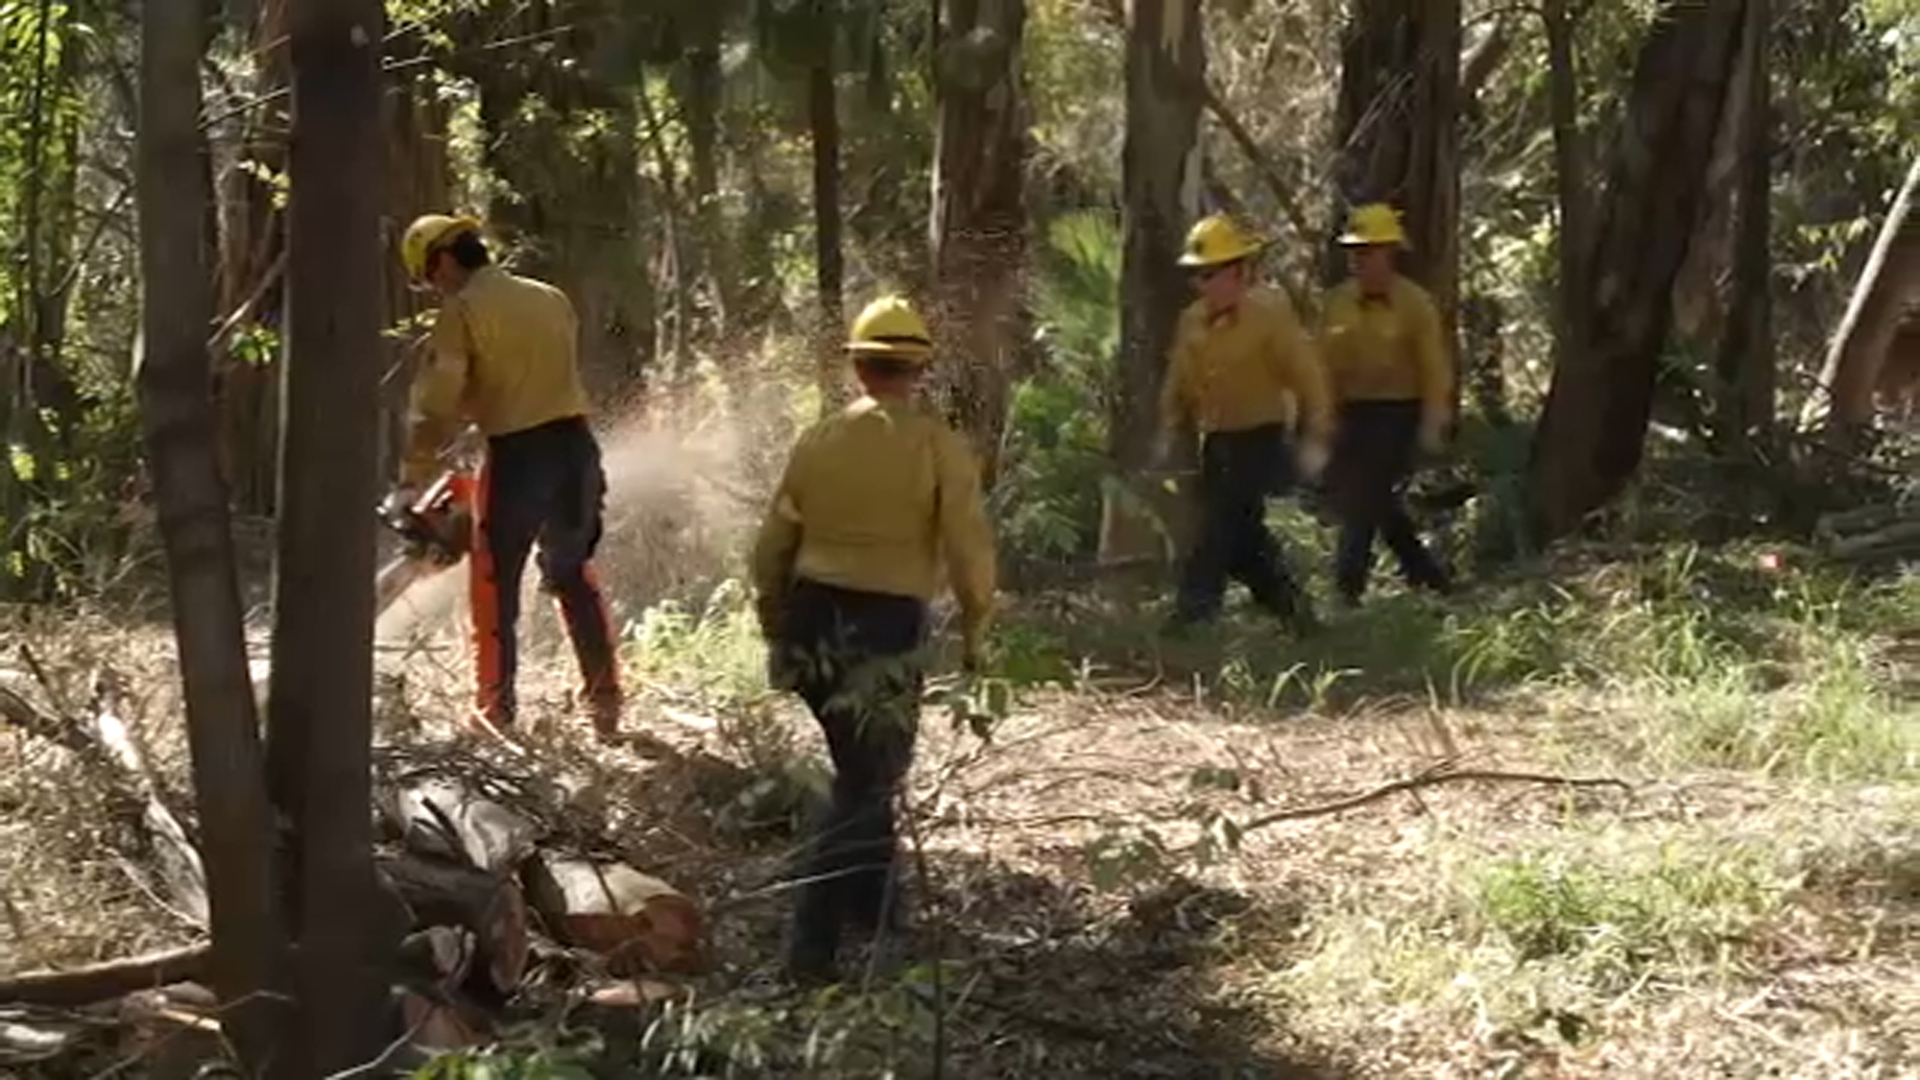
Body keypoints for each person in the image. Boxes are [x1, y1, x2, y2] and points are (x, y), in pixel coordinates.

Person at [749, 294, 996, 984]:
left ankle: (881, 912)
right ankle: (808, 949)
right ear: (919, 369)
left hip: (811, 619)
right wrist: (977, 630)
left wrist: (776, 629)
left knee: (867, 769)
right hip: (883, 628)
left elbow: (771, 548)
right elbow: (969, 550)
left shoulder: (819, 439)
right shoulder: (936, 445)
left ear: (858, 368)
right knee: (864, 782)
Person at [395, 213, 625, 739]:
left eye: (431, 277)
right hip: (576, 448)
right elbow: (527, 373)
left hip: (519, 456)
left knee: (495, 581)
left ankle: (494, 713)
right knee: (573, 572)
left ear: (444, 260)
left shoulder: (463, 310)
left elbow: (437, 403)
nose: (435, 288)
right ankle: (606, 703)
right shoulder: (549, 297)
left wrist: (414, 476)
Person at [1156, 214, 1334, 634]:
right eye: (1196, 276)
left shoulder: (1271, 315)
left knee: (1219, 523)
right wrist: (1167, 428)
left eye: (1210, 274)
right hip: (1217, 439)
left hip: (1262, 438)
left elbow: (1309, 377)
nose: (1201, 285)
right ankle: (1295, 613)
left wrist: (1317, 434)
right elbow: (1178, 380)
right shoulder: (1192, 322)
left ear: (1238, 273)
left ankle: (1193, 613)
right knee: (1244, 539)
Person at [1319, 203, 1455, 607]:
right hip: (1350, 415)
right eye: (1354, 254)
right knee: (1379, 502)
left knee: (1363, 497)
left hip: (1398, 414)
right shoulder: (1336, 303)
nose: (1359, 262)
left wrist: (1434, 423)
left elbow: (1434, 370)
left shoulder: (1416, 305)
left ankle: (1347, 588)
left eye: (1368, 252)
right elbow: (1321, 364)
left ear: (1389, 254)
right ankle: (1427, 575)